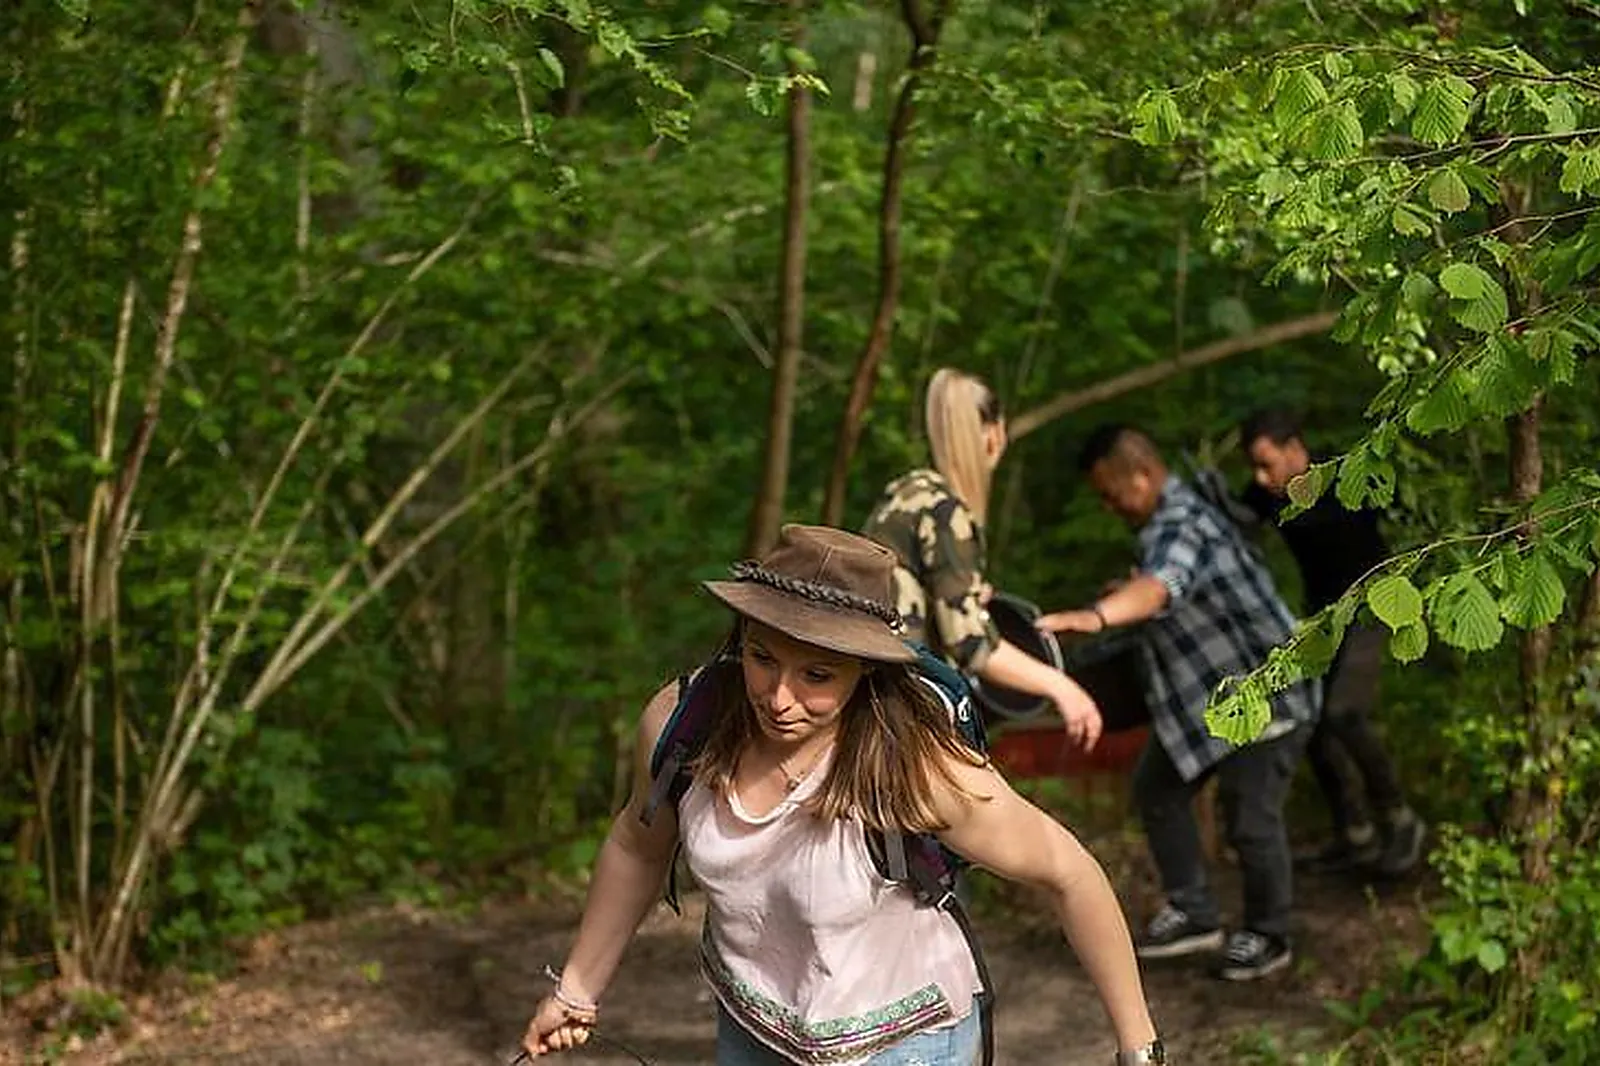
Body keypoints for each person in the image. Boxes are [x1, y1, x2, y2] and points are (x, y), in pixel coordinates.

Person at [521, 524, 1165, 1065]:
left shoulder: (915, 768)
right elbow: (638, 845)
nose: (779, 697)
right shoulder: (686, 722)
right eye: (762, 657)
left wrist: (1140, 1051)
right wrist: (575, 990)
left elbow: (1070, 874)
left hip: (903, 1043)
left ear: (866, 672)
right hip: (752, 1027)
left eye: (817, 675)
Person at [1037, 425, 1318, 982]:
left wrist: (1094, 616)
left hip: (1269, 694)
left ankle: (1269, 933)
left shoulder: (1183, 521)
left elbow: (1163, 585)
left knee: (1251, 817)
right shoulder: (1161, 528)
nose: (1108, 504)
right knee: (1158, 789)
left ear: (1141, 476)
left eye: (1111, 492)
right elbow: (1156, 599)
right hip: (1211, 703)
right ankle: (1194, 913)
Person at [863, 368, 1105, 751]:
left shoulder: (906, 491)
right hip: (901, 712)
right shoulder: (947, 511)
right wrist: (1063, 687)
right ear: (994, 435)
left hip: (869, 696)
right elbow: (970, 644)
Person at [1238, 408, 1426, 878]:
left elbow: (1382, 512)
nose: (1262, 478)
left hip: (1371, 609)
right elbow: (1237, 515)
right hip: (1322, 621)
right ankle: (1354, 835)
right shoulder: (1268, 496)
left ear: (1296, 450)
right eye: (1254, 468)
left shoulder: (1345, 480)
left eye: (1268, 464)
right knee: (1316, 728)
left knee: (1343, 715)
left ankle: (1400, 820)